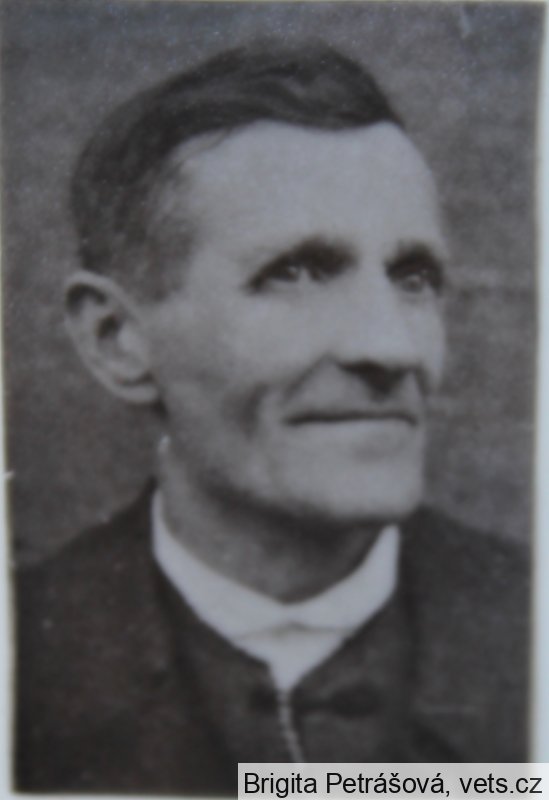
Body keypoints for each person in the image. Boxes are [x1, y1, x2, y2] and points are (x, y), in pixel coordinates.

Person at [15, 43, 529, 794]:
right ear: (117, 338)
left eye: (412, 277)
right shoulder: (26, 661)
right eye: (295, 273)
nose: (390, 347)